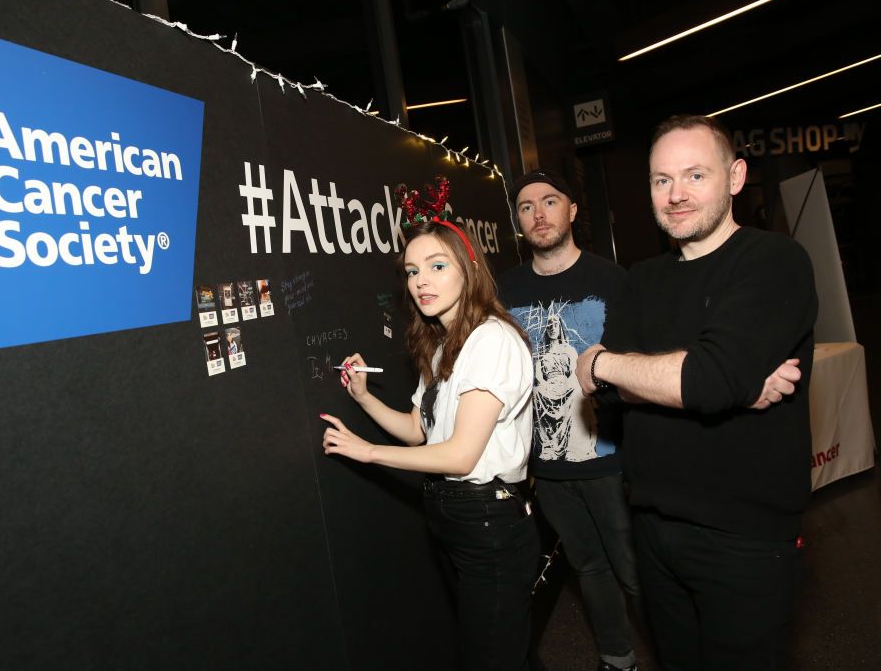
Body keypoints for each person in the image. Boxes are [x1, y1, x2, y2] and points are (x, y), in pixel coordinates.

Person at [577, 114, 817, 670]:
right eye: (662, 180)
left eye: (694, 176)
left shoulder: (773, 260)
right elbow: (603, 395)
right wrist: (722, 384)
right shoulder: (642, 278)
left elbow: (704, 381)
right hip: (655, 529)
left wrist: (610, 362)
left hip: (745, 539)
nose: (676, 195)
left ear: (735, 177)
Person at [321, 178, 540, 671]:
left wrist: (369, 452)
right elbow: (420, 430)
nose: (422, 280)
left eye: (438, 266)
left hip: (490, 523)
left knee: (491, 657)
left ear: (469, 267)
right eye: (413, 270)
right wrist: (364, 397)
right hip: (455, 518)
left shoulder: (491, 340)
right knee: (504, 651)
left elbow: (460, 455)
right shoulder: (443, 344)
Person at [498, 170, 641, 671]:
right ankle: (617, 658)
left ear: (572, 210)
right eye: (525, 206)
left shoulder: (612, 279)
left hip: (612, 458)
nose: (539, 214)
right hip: (550, 469)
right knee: (590, 568)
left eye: (550, 201)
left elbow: (640, 367)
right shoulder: (505, 290)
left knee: (635, 568)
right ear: (517, 220)